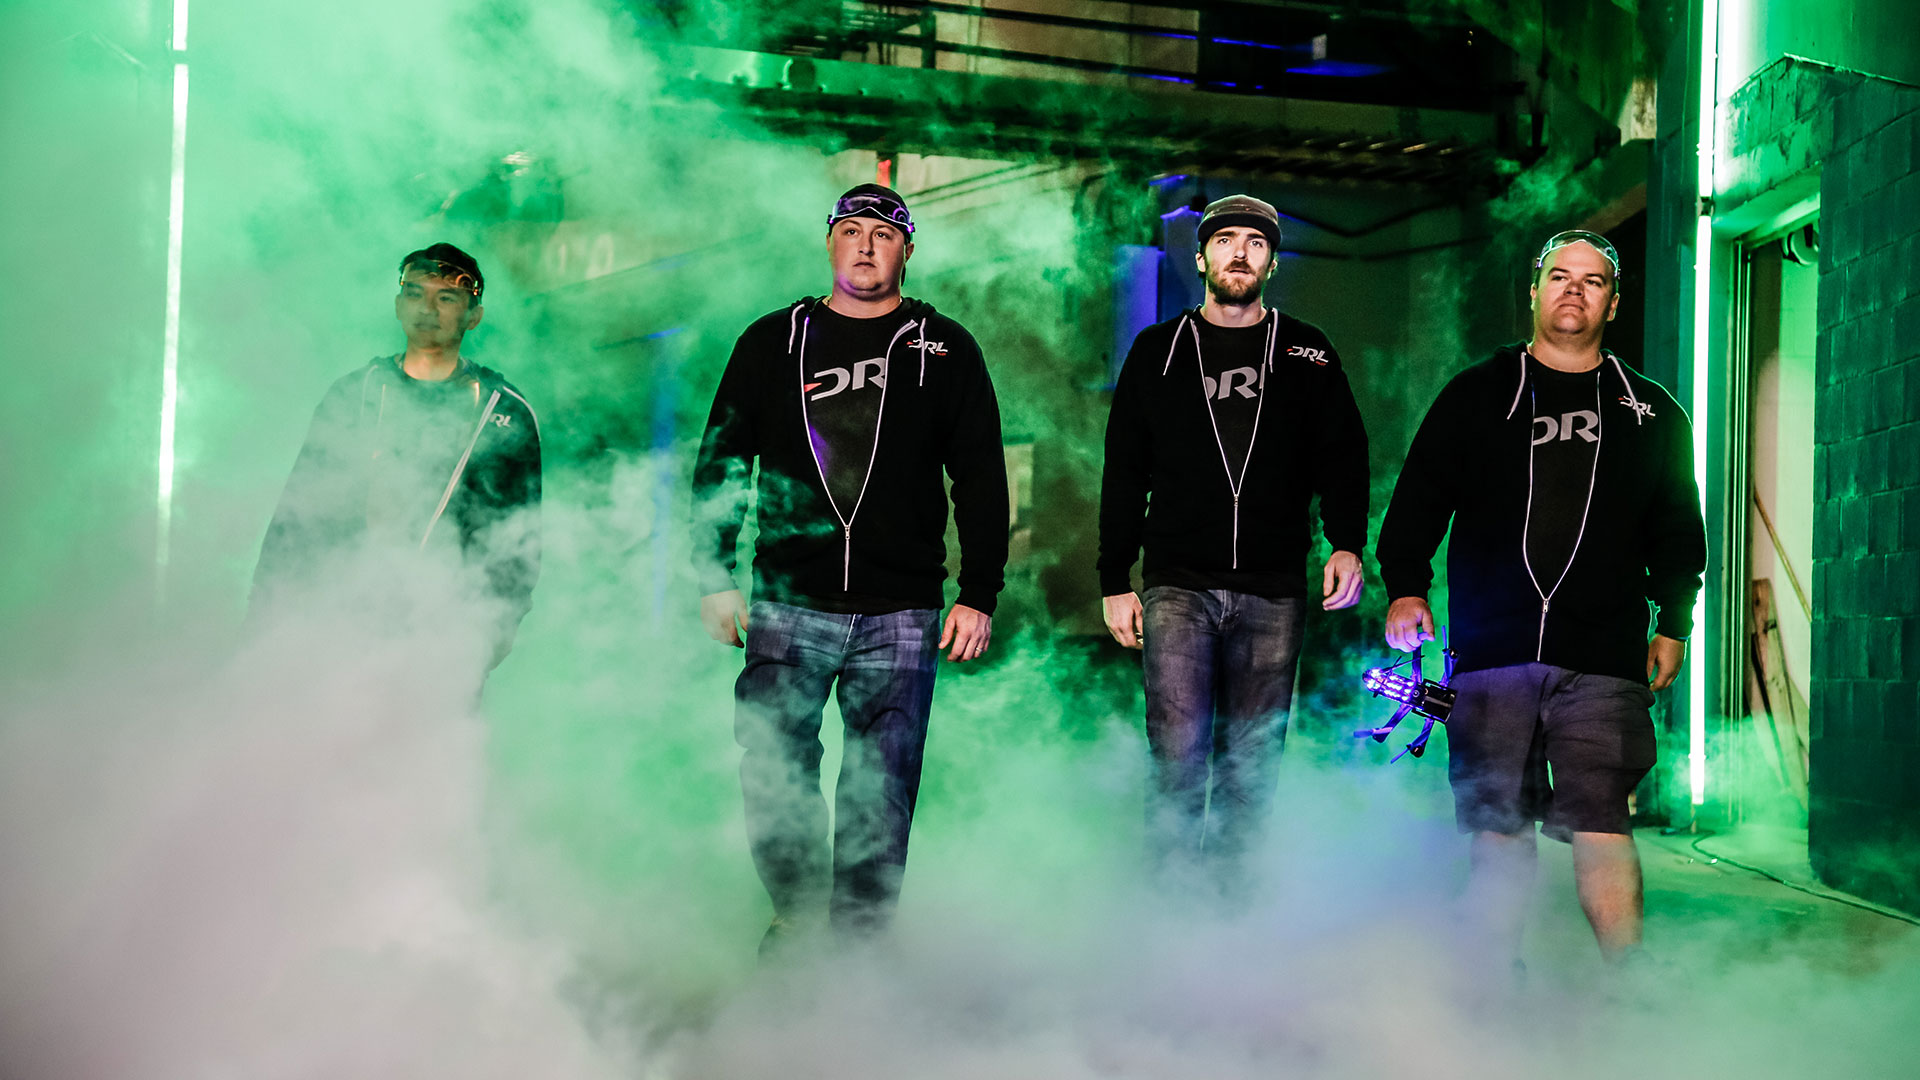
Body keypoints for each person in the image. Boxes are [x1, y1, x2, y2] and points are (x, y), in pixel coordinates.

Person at [1374, 230, 1706, 967]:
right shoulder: (1478, 393)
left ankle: (1628, 985)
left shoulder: (1650, 411)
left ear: (1613, 303)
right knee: (1498, 824)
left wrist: (1674, 622)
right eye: (1560, 276)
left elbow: (1679, 529)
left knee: (1602, 820)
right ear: (1534, 291)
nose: (1574, 290)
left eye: (1593, 280)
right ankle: (1495, 978)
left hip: (1604, 655)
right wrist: (1406, 589)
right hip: (1493, 651)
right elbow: (1420, 497)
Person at [692, 184, 1009, 949]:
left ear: (908, 250)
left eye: (883, 234)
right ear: (829, 241)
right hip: (788, 599)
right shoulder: (774, 340)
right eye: (851, 230)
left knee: (883, 781)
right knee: (773, 766)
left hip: (900, 608)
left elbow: (980, 477)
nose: (866, 244)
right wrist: (714, 573)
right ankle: (798, 915)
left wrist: (979, 592)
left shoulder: (944, 348)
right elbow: (723, 459)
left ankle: (861, 943)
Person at [1098, 194, 1369, 896]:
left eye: (1255, 242)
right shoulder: (1158, 350)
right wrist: (1113, 577)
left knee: (1252, 767)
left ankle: (1233, 915)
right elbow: (1124, 468)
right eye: (1225, 241)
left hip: (1273, 588)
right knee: (1178, 759)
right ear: (1201, 258)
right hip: (1177, 584)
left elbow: (1343, 456)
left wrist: (1346, 542)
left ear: (1272, 262)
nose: (1239, 252)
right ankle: (1167, 909)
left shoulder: (1308, 351)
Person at [251, 242, 541, 672]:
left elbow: (519, 540)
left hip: (446, 637)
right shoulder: (355, 395)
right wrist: (265, 620)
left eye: (447, 298)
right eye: (415, 293)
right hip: (339, 629)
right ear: (398, 305)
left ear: (473, 315)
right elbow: (297, 517)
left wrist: (489, 638)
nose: (428, 308)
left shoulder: (504, 412)